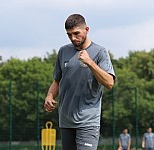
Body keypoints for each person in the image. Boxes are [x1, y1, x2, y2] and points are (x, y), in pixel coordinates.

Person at [44, 14, 115, 150]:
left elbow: (109, 83)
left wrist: (90, 63)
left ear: (86, 30)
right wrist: (50, 96)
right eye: (69, 35)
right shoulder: (63, 51)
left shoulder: (100, 52)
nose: (73, 38)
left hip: (88, 122)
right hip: (66, 121)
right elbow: (57, 81)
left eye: (76, 33)